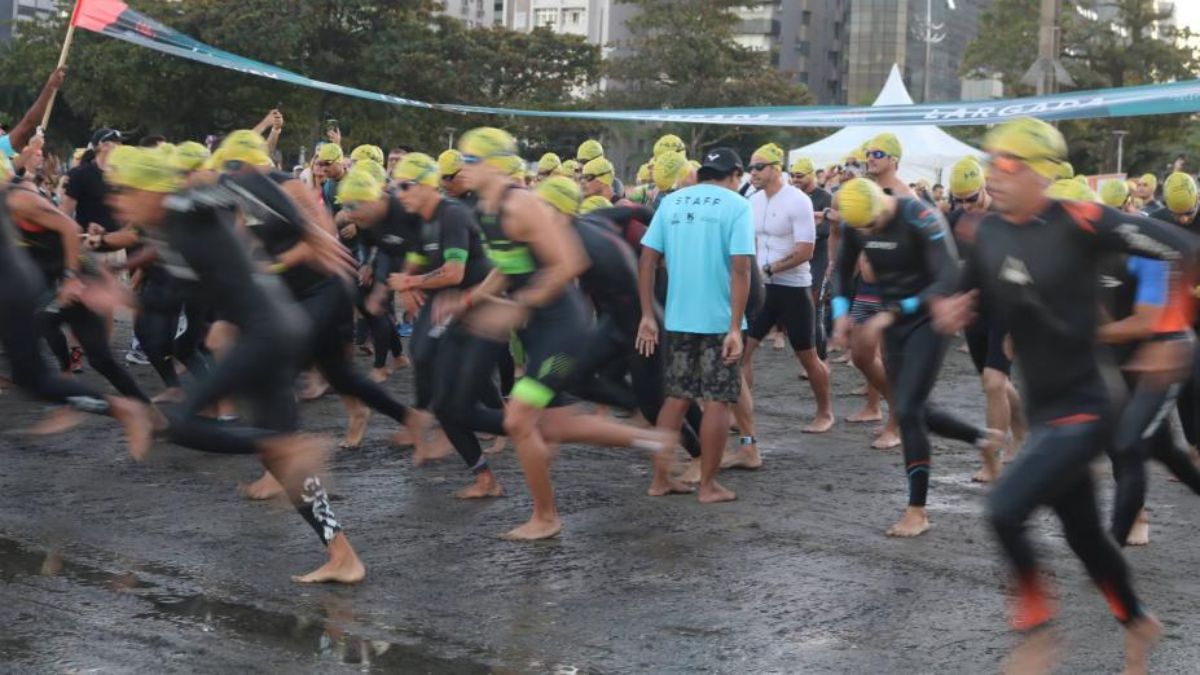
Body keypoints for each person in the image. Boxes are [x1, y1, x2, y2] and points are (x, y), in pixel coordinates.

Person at [931, 118, 1197, 673]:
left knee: (1004, 510)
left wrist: (1169, 332)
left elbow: (1180, 249)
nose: (993, 176)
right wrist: (949, 303)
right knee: (1083, 536)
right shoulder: (988, 230)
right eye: (989, 163)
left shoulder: (1081, 219)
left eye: (1008, 165)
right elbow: (964, 279)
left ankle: (1036, 632)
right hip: (1046, 404)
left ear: (1043, 174)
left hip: (1089, 403)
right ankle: (1136, 619)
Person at [104, 145, 365, 585]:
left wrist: (310, 231)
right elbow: (178, 294)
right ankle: (343, 556)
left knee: (182, 423)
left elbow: (244, 181)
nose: (117, 201)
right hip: (266, 328)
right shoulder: (168, 230)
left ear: (150, 189)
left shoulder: (184, 204)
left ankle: (283, 445)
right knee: (284, 461)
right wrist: (115, 295)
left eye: (124, 191)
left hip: (268, 330)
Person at [831, 178, 998, 537]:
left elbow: (948, 277)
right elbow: (842, 273)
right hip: (891, 322)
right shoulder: (855, 220)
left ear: (882, 206)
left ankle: (917, 510)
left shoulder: (919, 215)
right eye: (862, 230)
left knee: (906, 410)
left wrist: (892, 312)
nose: (867, 234)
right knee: (914, 406)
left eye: (872, 226)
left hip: (929, 318)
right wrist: (840, 313)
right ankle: (983, 438)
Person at [0, 151, 152, 454]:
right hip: (45, 282)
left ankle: (103, 402)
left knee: (86, 356)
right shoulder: (11, 197)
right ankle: (76, 396)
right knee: (76, 356)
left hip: (69, 280)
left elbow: (68, 228)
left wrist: (76, 278)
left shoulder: (18, 199)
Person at [637, 147, 755, 504]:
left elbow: (647, 260)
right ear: (735, 175)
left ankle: (660, 479)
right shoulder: (737, 206)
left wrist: (646, 315)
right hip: (719, 320)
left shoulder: (671, 202)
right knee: (717, 401)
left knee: (676, 399)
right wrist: (736, 326)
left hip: (678, 318)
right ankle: (708, 486)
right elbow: (741, 269)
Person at [383, 152, 503, 498]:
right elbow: (417, 258)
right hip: (449, 308)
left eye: (405, 186)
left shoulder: (452, 216)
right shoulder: (426, 218)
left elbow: (455, 272)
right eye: (395, 187)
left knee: (452, 394)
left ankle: (523, 428)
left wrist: (411, 285)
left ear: (425, 185)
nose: (399, 193)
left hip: (477, 310)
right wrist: (408, 281)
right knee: (428, 363)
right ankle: (484, 472)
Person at [741, 143, 833, 441]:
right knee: (743, 351)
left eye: (759, 167)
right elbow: (751, 244)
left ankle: (825, 412)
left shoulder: (797, 201)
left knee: (807, 357)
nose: (752, 172)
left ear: (775, 169)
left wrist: (770, 269)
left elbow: (806, 250)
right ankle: (742, 416)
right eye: (750, 167)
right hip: (762, 290)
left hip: (793, 289)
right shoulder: (752, 200)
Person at [946, 157, 1026, 480]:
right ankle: (1023, 432)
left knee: (994, 382)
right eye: (960, 200)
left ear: (985, 188)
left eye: (972, 198)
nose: (967, 206)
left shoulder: (1006, 217)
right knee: (995, 383)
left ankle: (992, 457)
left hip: (1006, 310)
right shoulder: (955, 220)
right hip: (975, 311)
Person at [789, 157, 834, 359]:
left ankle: (820, 359)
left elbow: (826, 230)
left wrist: (802, 231)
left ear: (811, 175)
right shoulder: (793, 196)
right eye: (792, 176)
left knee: (815, 309)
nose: (795, 179)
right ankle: (809, 356)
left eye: (799, 176)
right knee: (800, 310)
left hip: (819, 260)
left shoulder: (825, 197)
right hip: (799, 259)